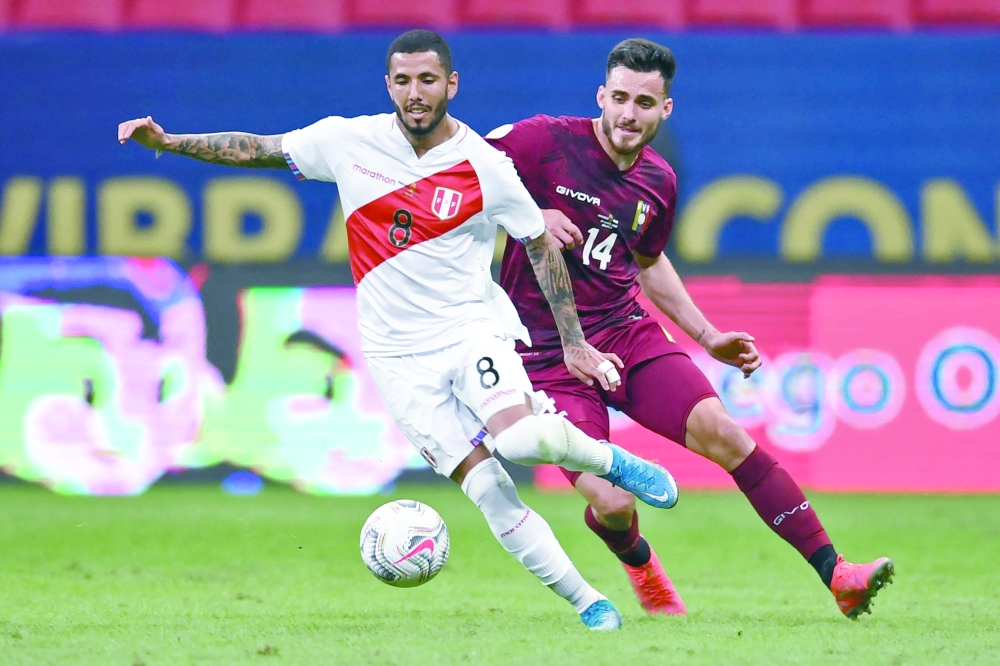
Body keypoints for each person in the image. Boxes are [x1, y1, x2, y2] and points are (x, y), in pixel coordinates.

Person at [117, 29, 680, 631]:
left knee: (517, 442)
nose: (416, 93)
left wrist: (573, 343)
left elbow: (539, 245)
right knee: (490, 490)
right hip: (394, 357)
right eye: (404, 81)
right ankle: (588, 603)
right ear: (388, 85)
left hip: (469, 330)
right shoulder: (346, 141)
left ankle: (613, 463)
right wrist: (169, 141)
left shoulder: (485, 166)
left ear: (451, 85)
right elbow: (256, 148)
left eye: (428, 80)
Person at [485, 37, 894, 620]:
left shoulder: (659, 181)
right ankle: (640, 563)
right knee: (613, 502)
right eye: (619, 98)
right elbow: (461, 167)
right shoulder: (541, 141)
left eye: (644, 103)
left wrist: (707, 336)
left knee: (725, 433)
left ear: (665, 109)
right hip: (548, 358)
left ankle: (839, 575)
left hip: (625, 335)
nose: (629, 114)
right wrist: (527, 214)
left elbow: (649, 265)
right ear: (600, 96)